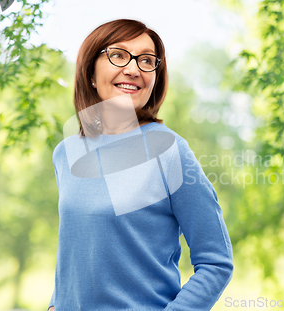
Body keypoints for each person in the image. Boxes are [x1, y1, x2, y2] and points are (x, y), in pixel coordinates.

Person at [48, 19, 234, 311]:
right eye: (118, 55)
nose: (134, 69)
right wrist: (54, 304)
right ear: (91, 73)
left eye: (147, 61)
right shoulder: (65, 153)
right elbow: (76, 252)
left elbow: (216, 262)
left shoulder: (170, 151)